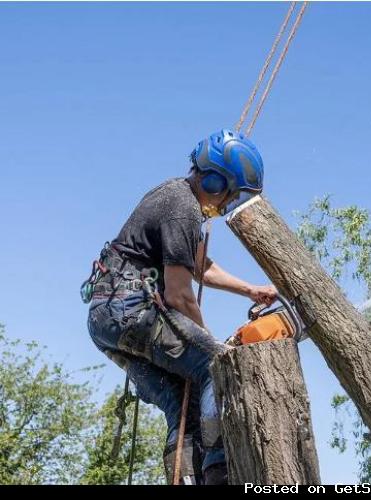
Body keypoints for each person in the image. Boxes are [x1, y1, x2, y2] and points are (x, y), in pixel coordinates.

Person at [84, 129, 277, 485]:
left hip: (105, 317)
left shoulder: (176, 198)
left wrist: (249, 289)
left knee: (181, 404)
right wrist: (210, 344)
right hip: (132, 310)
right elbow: (179, 295)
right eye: (230, 195)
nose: (225, 206)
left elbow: (199, 265)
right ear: (217, 182)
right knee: (220, 369)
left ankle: (187, 478)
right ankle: (219, 475)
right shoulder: (183, 208)